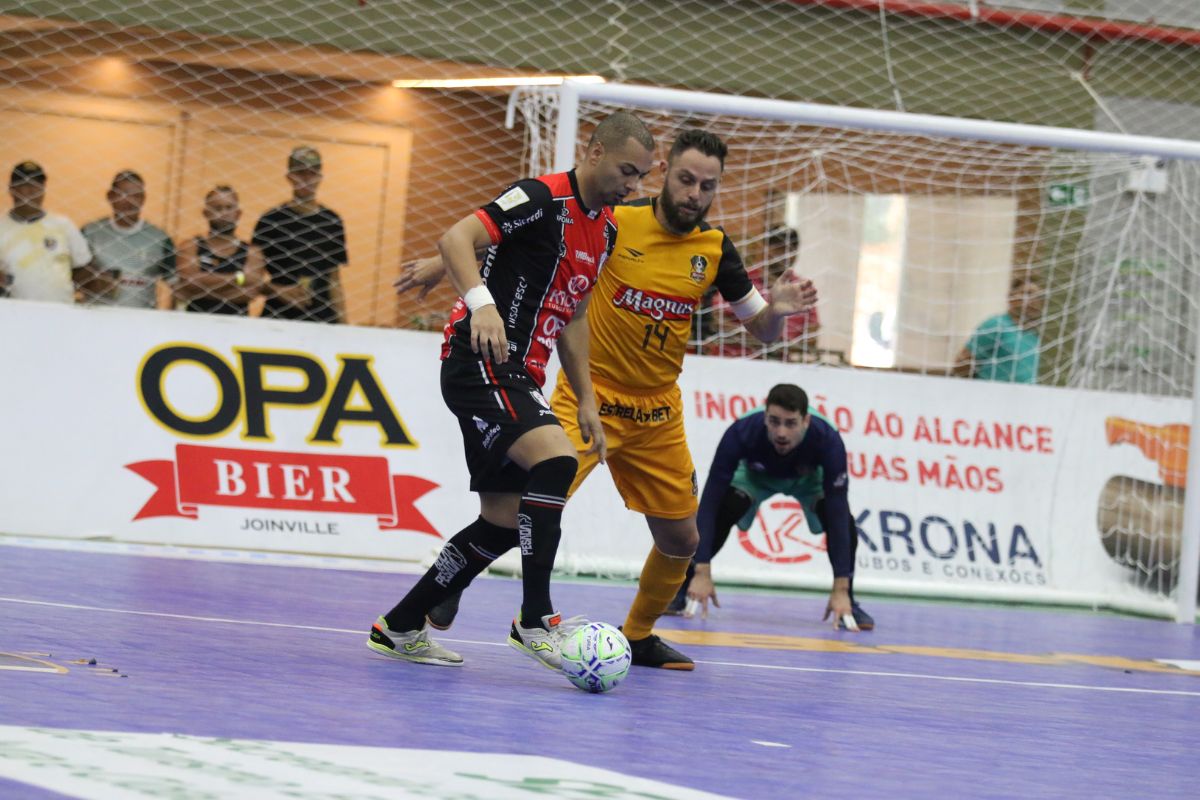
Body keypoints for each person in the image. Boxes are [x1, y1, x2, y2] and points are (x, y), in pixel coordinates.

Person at [397, 130, 818, 671]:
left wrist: (778, 311)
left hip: (657, 413)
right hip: (589, 395)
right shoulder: (618, 221)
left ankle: (638, 636)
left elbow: (759, 329)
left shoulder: (715, 250)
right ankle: (476, 598)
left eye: (707, 186)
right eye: (686, 180)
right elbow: (531, 237)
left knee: (682, 536)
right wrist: (441, 267)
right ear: (662, 172)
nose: (694, 193)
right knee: (526, 506)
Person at [367, 111, 656, 669]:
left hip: (523, 373)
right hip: (482, 360)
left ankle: (401, 625)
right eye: (626, 170)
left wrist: (588, 400)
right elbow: (458, 238)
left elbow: (573, 317)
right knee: (555, 461)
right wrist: (483, 304)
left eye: (640, 176)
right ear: (594, 152)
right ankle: (535, 620)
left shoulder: (608, 227)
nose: (633, 186)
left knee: (501, 520)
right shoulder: (540, 196)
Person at [669, 383, 874, 631]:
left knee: (842, 520)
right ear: (764, 417)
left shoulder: (828, 439)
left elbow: (839, 511)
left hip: (808, 480)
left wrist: (840, 586)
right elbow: (710, 502)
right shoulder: (741, 431)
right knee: (726, 505)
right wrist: (703, 569)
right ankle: (686, 584)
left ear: (806, 420)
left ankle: (846, 599)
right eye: (774, 422)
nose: (781, 433)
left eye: (790, 423)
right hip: (756, 476)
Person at [253, 146, 348, 323]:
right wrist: (277, 290)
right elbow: (251, 276)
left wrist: (344, 324)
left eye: (312, 173)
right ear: (289, 177)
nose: (306, 179)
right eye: (300, 173)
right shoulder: (271, 220)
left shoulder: (332, 221)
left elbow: (334, 278)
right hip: (279, 315)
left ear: (320, 177)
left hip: (323, 317)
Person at [0, 160, 97, 303]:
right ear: (12, 188)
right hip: (12, 313)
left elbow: (83, 268)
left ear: (43, 189)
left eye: (36, 184)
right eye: (24, 184)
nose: (31, 190)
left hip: (58, 312)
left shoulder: (63, 225)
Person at [82, 170, 176, 310]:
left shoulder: (159, 238)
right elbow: (74, 276)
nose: (130, 201)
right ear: (110, 196)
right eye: (124, 194)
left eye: (136, 195)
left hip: (142, 321)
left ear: (143, 199)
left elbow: (177, 286)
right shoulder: (90, 232)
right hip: (97, 317)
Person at [175, 185, 267, 315]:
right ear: (205, 213)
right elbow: (189, 282)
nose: (224, 213)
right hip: (195, 323)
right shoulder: (190, 246)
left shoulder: (252, 252)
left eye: (229, 207)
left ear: (238, 213)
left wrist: (199, 290)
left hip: (236, 326)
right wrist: (239, 278)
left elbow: (251, 293)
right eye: (217, 208)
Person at [953, 275, 1044, 383]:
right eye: (1027, 294)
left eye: (1038, 297)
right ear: (1011, 297)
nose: (1033, 301)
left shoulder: (1034, 335)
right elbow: (962, 364)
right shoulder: (997, 324)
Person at [763, 227, 819, 361]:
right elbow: (719, 322)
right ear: (766, 249)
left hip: (783, 363)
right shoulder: (744, 281)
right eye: (778, 248)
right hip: (737, 359)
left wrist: (783, 344)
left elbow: (812, 337)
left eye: (789, 249)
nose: (784, 255)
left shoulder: (803, 288)